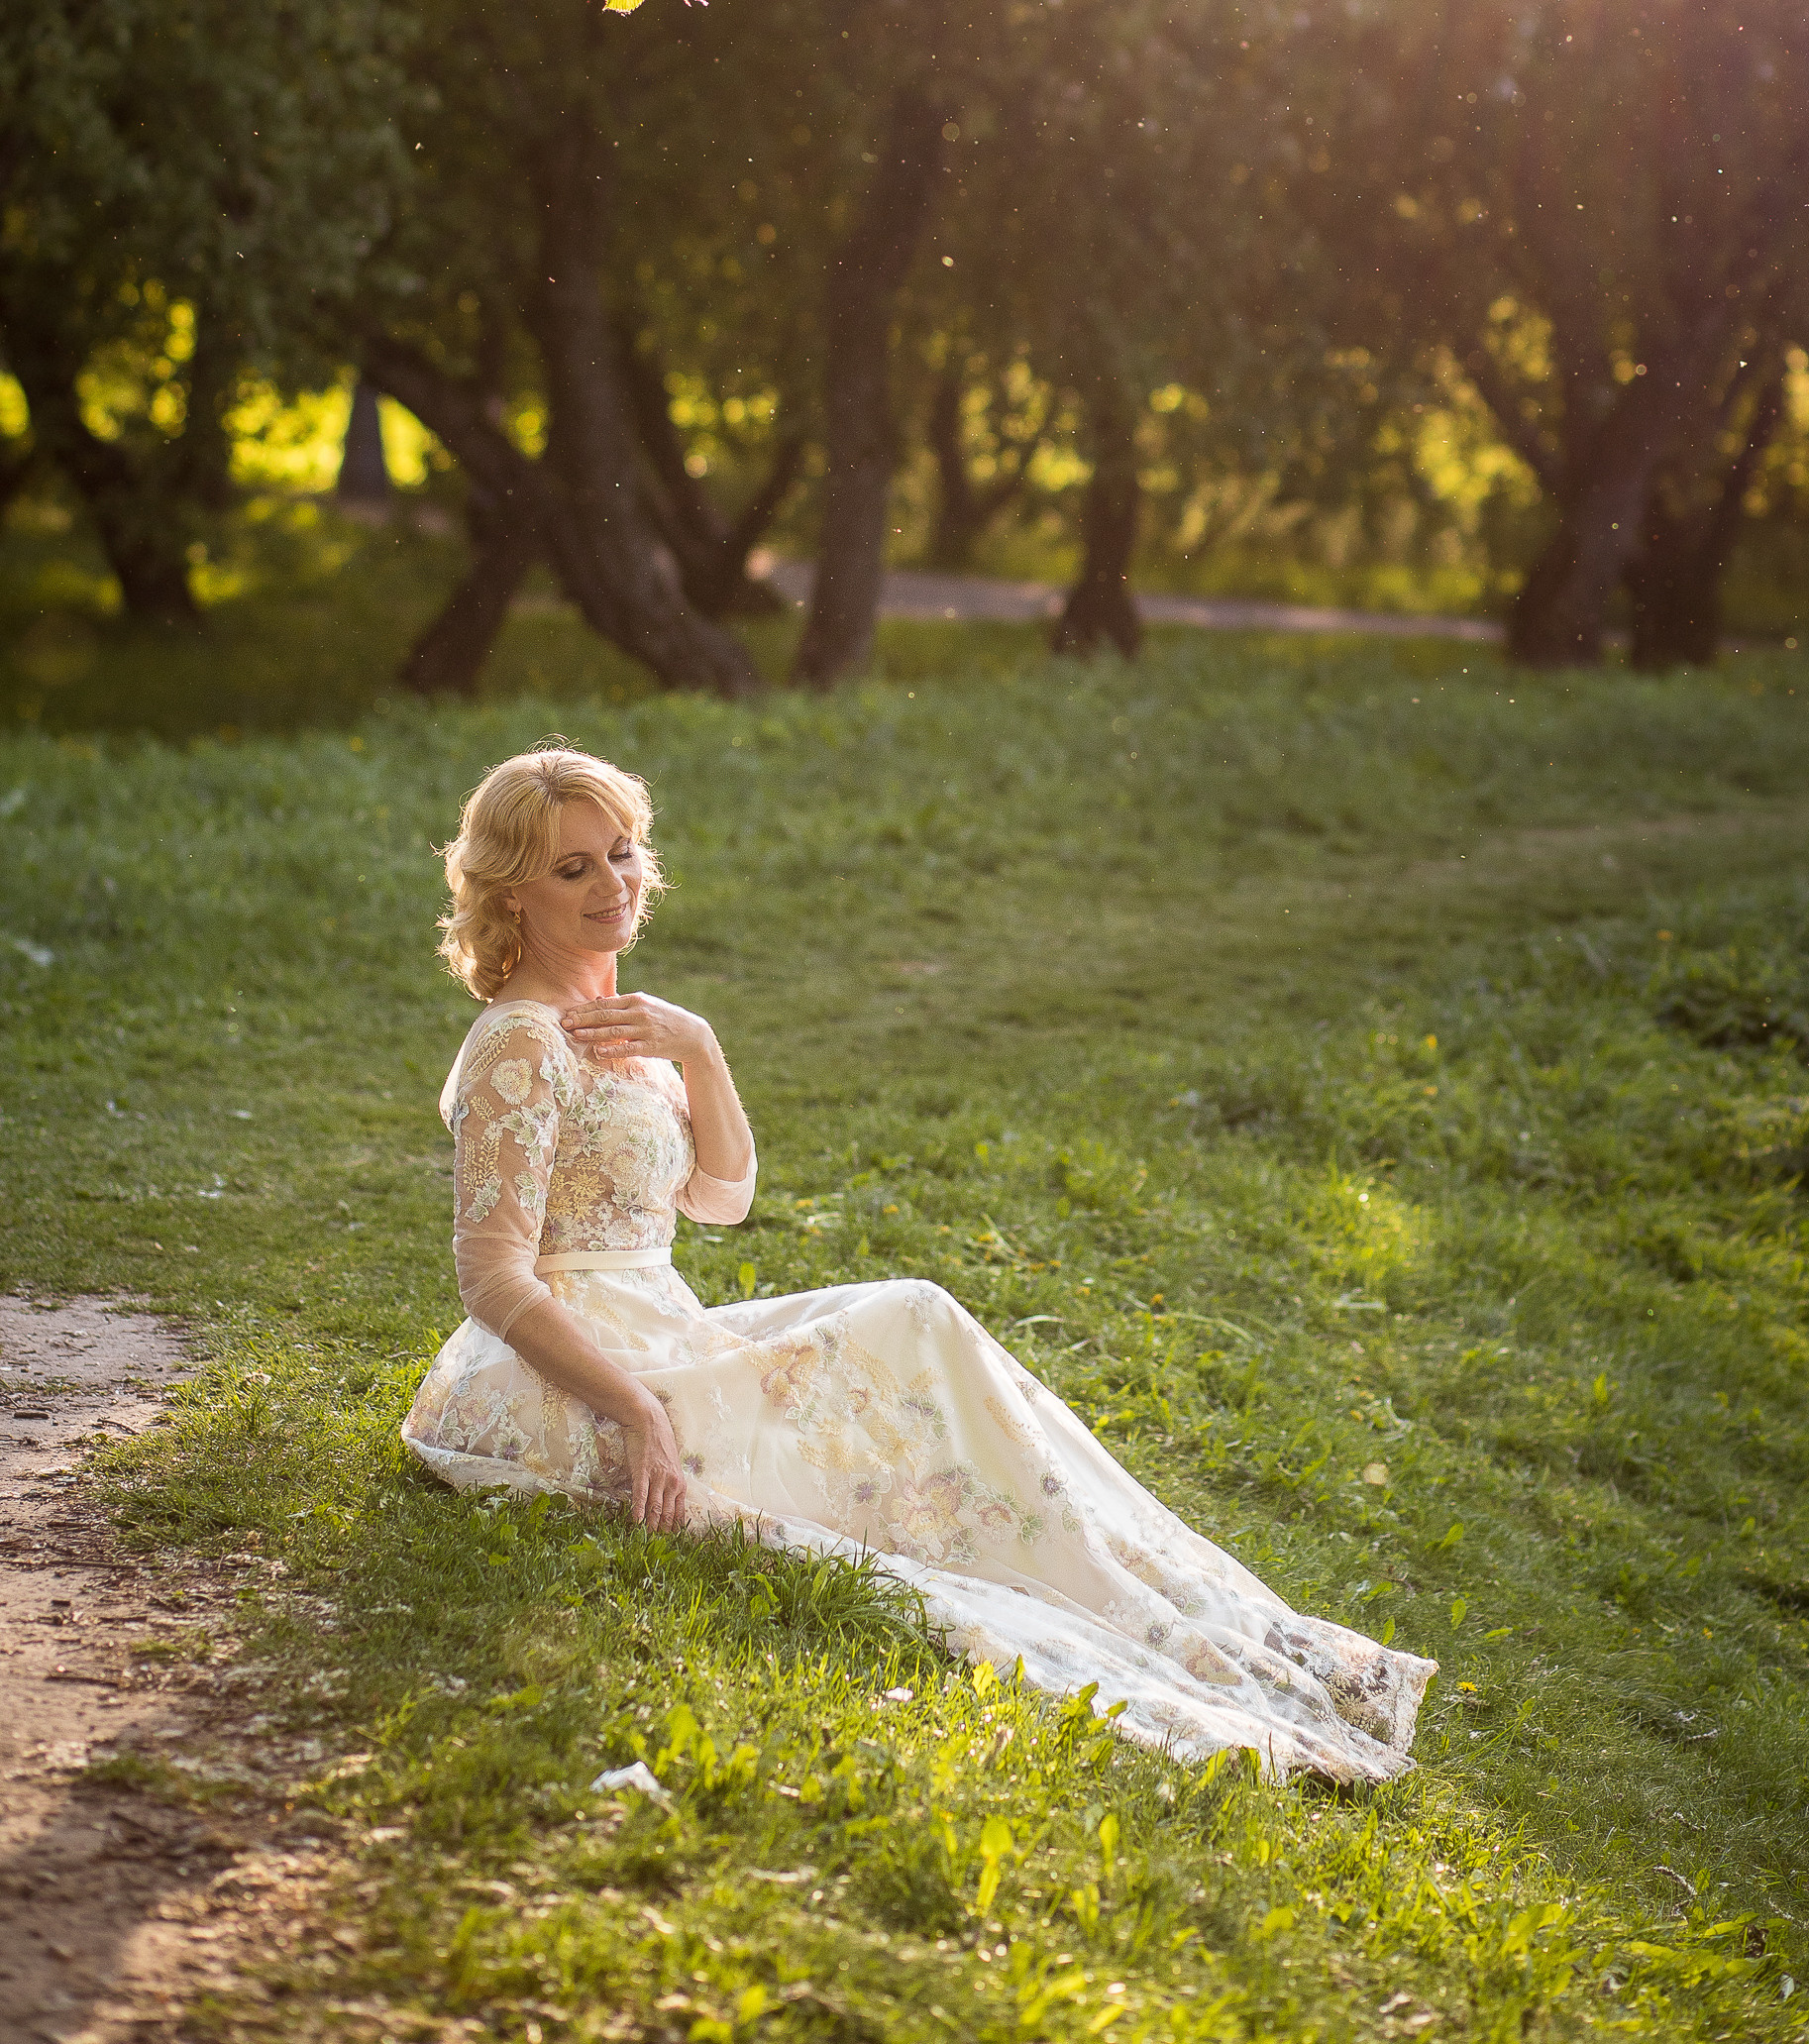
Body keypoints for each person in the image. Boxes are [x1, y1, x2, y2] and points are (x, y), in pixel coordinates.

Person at [402, 745, 1433, 1782]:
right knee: (908, 1331)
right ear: (511, 897)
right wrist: (637, 1412)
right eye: (571, 868)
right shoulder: (521, 1044)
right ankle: (1096, 1592)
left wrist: (700, 1049)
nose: (611, 884)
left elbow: (721, 1200)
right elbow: (493, 1278)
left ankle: (1145, 1588)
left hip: (657, 1322)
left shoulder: (635, 1027)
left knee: (919, 1325)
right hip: (561, 1374)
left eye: (620, 854)